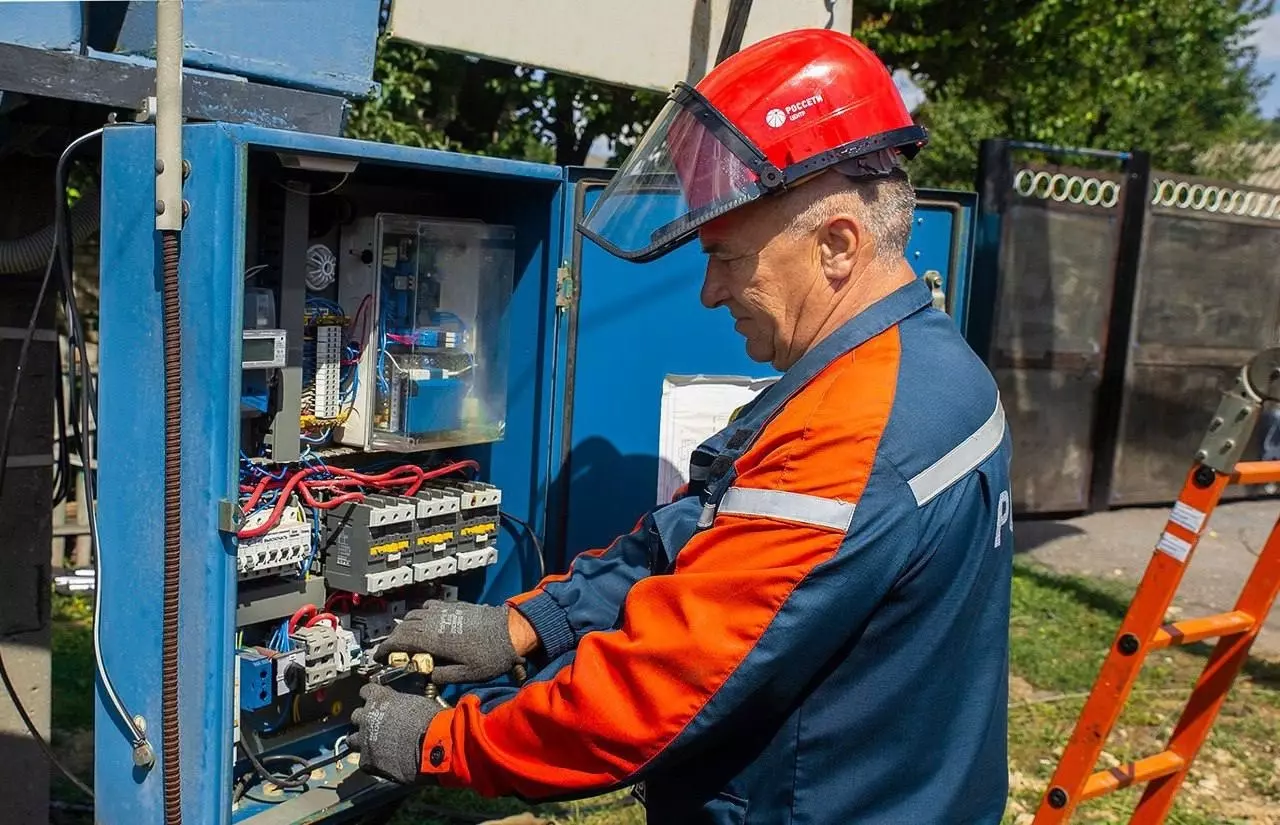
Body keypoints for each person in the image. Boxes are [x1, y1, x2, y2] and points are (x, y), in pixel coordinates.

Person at [350, 28, 1014, 824]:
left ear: (838, 244)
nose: (708, 291)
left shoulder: (853, 429)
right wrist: (531, 621)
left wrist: (446, 742)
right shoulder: (929, 364)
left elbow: (650, 697)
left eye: (728, 258)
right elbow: (702, 534)